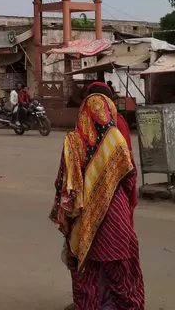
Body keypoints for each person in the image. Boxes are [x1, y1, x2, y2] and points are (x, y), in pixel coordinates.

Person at [51, 83, 145, 310]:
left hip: (83, 223)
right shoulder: (115, 140)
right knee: (121, 274)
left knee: (87, 274)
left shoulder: (73, 141)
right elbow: (130, 180)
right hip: (116, 220)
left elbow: (62, 185)